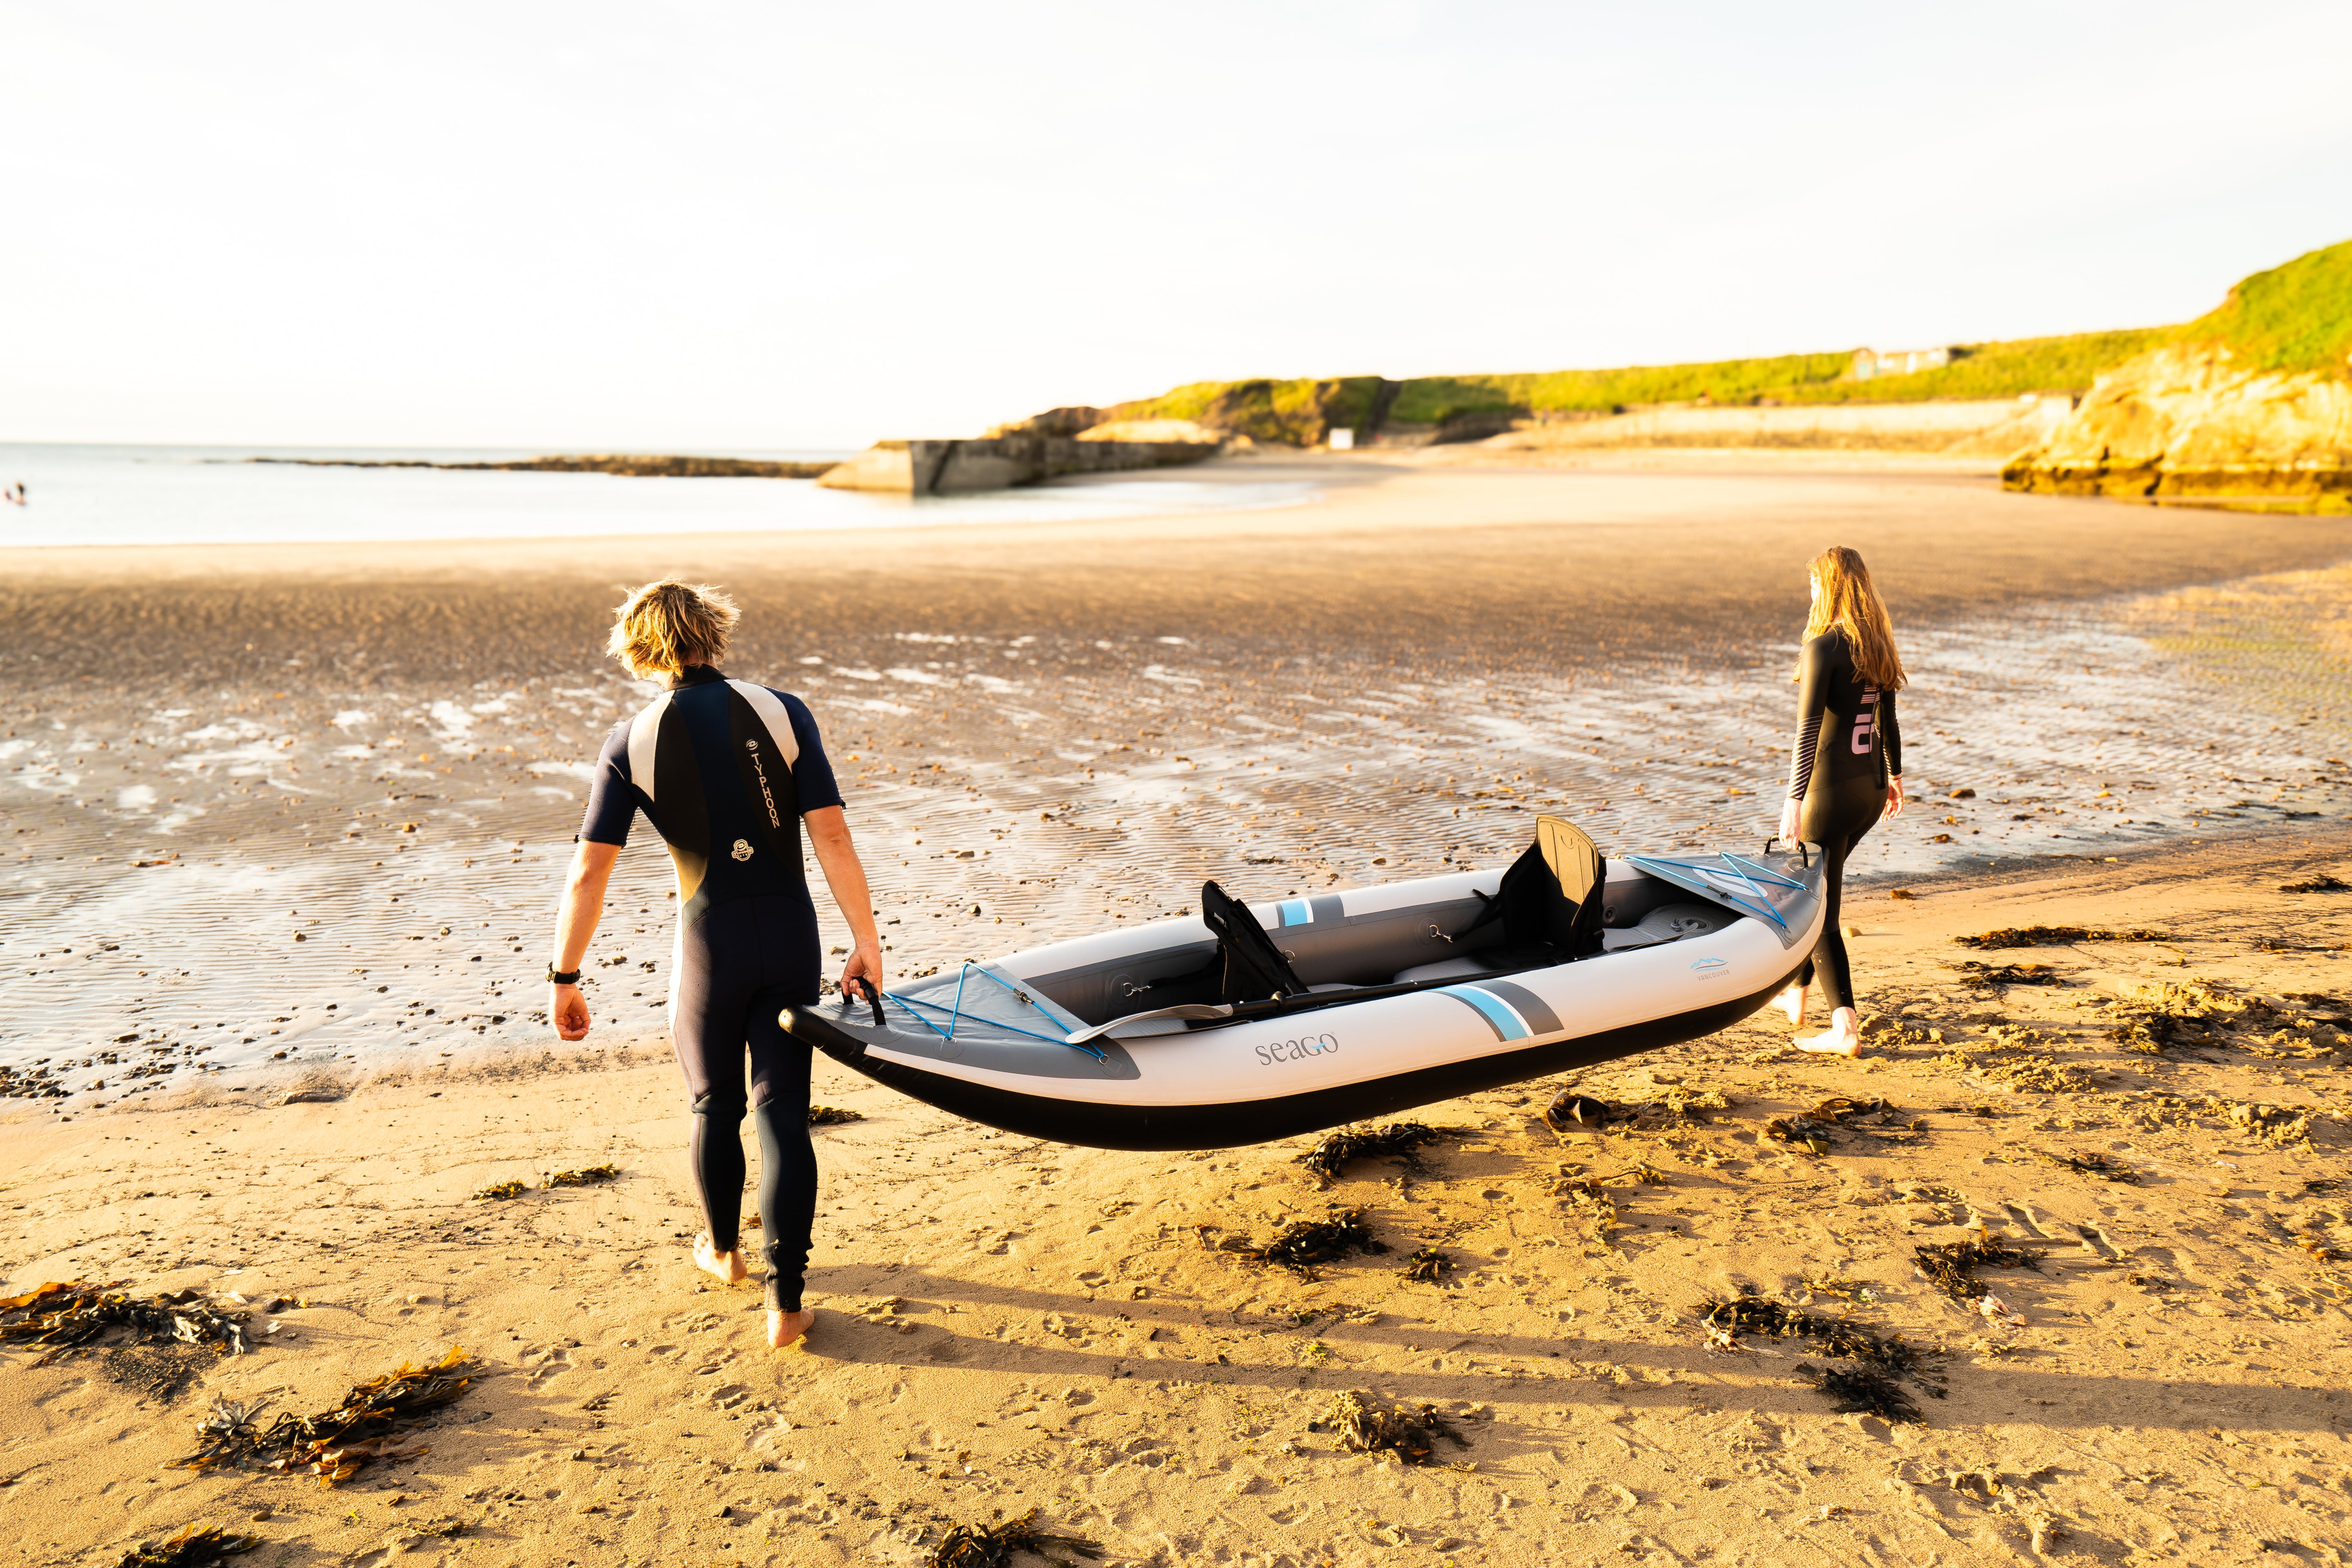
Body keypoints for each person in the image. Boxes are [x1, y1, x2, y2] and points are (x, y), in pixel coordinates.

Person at [546, 579, 883, 1348]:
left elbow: (588, 875)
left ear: (639, 649)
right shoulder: (783, 711)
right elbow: (832, 837)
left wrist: (567, 975)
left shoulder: (630, 740)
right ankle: (786, 1306)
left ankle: (724, 1253)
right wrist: (865, 941)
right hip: (792, 933)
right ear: (712, 631)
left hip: (709, 942)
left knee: (714, 1107)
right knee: (782, 1112)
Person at [1771, 546, 1906, 1055]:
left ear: (1828, 588)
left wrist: (1793, 801)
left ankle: (1844, 1027)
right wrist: (1895, 777)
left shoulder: (1822, 647)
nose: (1810, 594)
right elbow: (1886, 721)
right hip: (1869, 792)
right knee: (1819, 887)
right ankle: (1797, 993)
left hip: (1827, 794)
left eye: (1813, 586)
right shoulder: (1878, 645)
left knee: (1819, 910)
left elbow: (1808, 733)